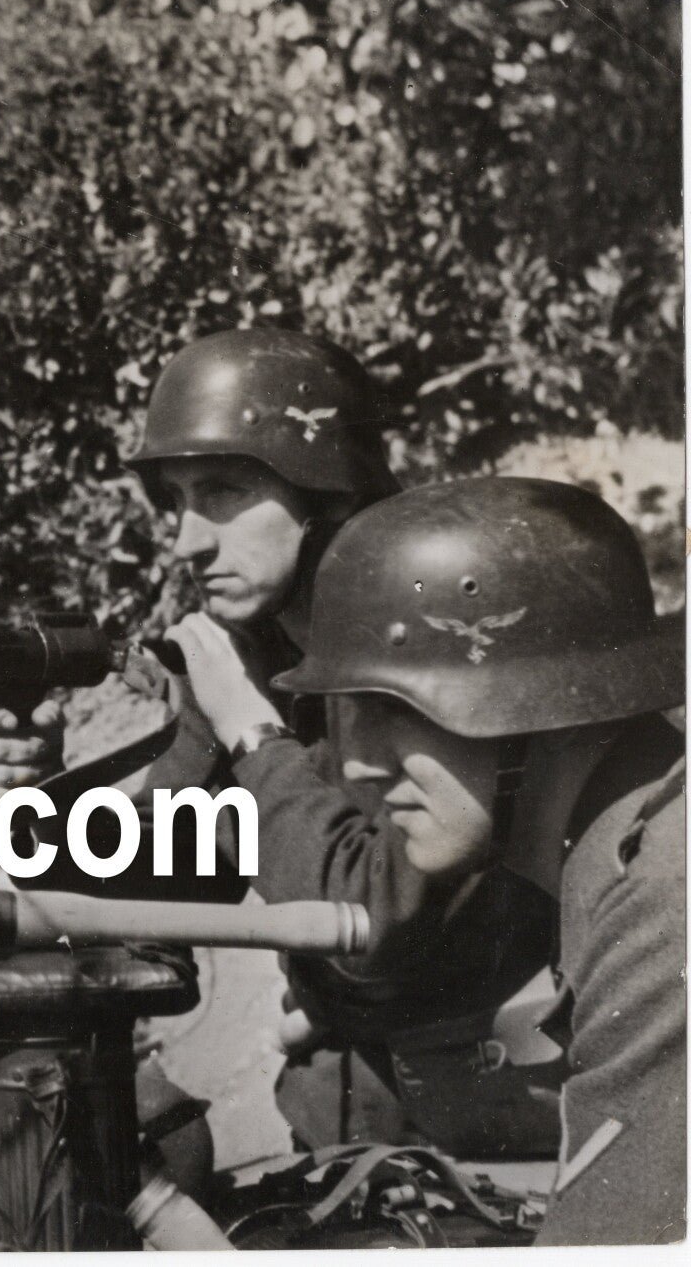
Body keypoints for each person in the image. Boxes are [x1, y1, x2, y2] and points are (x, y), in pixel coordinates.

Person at [0, 328, 560, 1155]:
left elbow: (372, 925)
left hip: (507, 1113)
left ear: (325, 488)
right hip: (350, 1104)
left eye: (222, 491)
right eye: (175, 500)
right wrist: (35, 803)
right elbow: (172, 874)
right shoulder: (258, 650)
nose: (186, 541)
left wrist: (254, 732)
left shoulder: (436, 632)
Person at [273, 476, 684, 1244]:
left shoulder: (664, 903)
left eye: (398, 710)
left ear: (544, 703)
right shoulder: (627, 847)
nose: (358, 767)